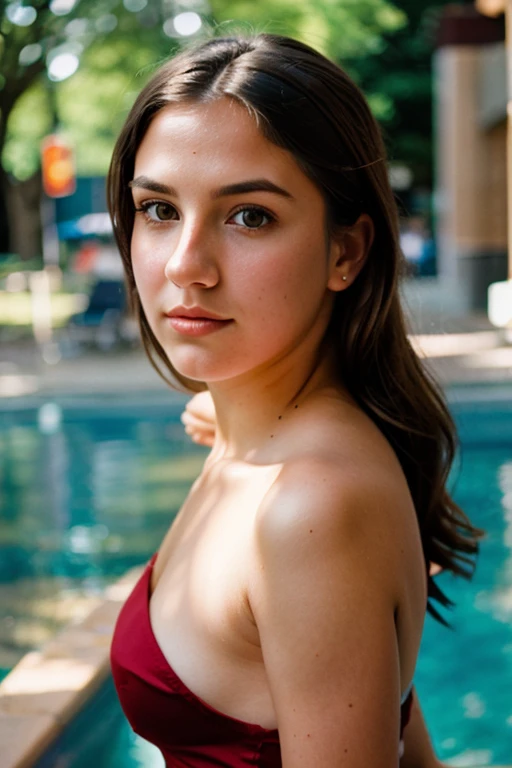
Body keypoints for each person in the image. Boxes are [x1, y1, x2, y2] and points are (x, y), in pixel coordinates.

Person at [108, 34, 482, 767]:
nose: (186, 265)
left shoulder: (308, 509)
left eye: (249, 216)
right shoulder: (262, 443)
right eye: (157, 209)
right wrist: (225, 423)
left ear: (345, 252)